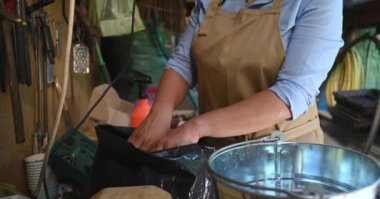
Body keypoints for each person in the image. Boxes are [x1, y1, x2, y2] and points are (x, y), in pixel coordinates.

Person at [129, 0, 343, 151]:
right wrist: (160, 112)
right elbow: (184, 62)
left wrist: (197, 127)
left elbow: (291, 93)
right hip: (215, 151)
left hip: (283, 158)